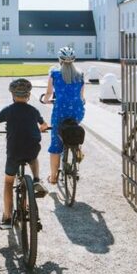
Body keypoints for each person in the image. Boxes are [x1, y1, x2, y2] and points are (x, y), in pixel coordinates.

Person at [0, 78, 50, 229]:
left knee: (8, 182)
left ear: (13, 95)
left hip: (14, 151)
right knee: (33, 156)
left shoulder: (8, 110)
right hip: (32, 147)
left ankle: (7, 218)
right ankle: (36, 179)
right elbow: (44, 125)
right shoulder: (34, 110)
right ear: (28, 95)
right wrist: (40, 129)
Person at [44, 46, 86, 186]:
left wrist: (45, 100)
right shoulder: (80, 74)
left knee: (56, 143)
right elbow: (82, 96)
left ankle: (54, 176)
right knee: (73, 131)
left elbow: (49, 94)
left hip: (60, 111)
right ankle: (76, 149)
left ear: (59, 60)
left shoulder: (54, 73)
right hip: (77, 112)